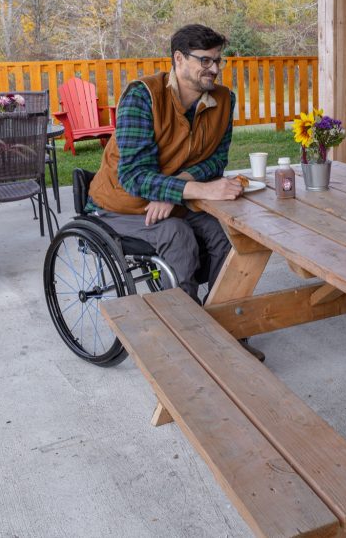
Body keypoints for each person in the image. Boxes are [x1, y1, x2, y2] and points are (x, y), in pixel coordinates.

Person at [87, 24, 264, 361]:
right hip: (121, 205)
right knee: (178, 236)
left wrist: (174, 191)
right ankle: (190, 341)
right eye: (205, 61)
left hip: (170, 200)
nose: (214, 69)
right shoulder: (141, 96)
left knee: (224, 235)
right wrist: (192, 189)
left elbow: (216, 160)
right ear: (179, 59)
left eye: (218, 61)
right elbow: (132, 176)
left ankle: (228, 330)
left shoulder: (224, 100)